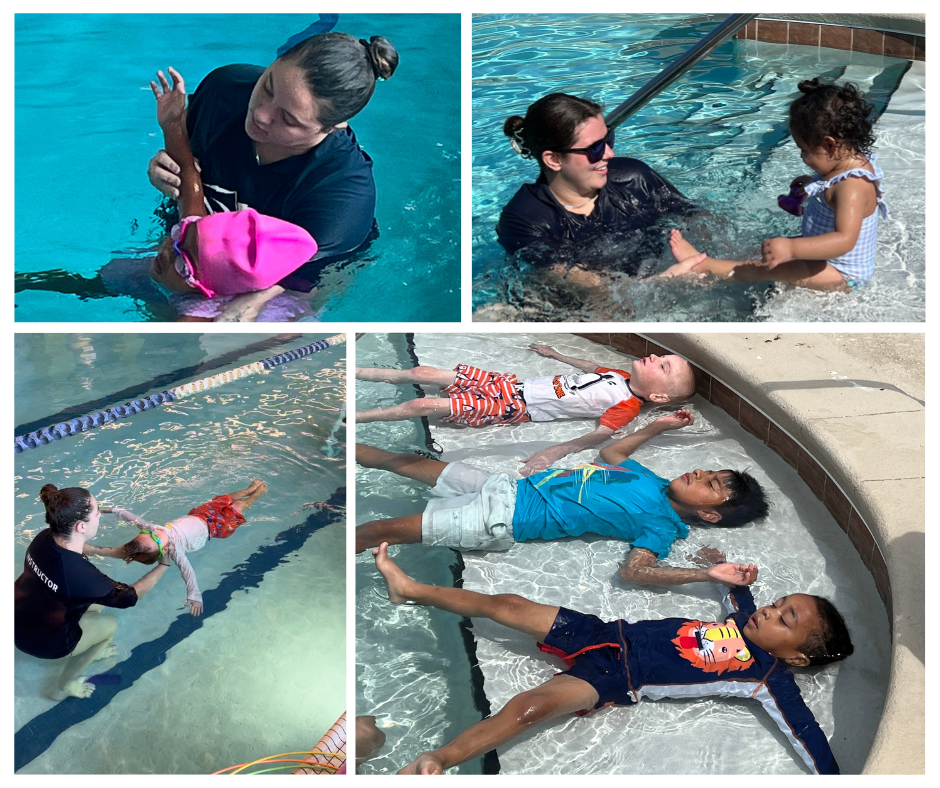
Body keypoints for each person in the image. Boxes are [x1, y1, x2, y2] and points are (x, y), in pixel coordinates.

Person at [371, 543, 853, 775]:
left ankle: (440, 757)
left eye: (784, 620)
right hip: (603, 632)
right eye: (779, 603)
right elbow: (736, 590)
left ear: (797, 658)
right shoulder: (745, 616)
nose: (769, 611)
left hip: (614, 677)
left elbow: (805, 731)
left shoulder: (768, 678)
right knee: (508, 605)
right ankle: (411, 589)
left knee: (530, 709)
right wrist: (723, 566)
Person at [355, 410, 769, 576]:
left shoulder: (662, 526)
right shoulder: (653, 480)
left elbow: (635, 572)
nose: (700, 472)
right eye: (709, 470)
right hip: (503, 486)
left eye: (711, 484)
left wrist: (703, 573)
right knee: (399, 459)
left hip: (500, 519)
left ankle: (317, 564)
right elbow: (611, 451)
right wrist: (657, 427)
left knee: (379, 529)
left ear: (711, 515)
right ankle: (334, 446)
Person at [147, 31, 399, 303]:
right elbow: (186, 160)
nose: (261, 114)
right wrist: (165, 170)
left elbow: (301, 294)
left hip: (284, 285)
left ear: (334, 127)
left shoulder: (340, 199)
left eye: (288, 119)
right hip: (188, 249)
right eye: (268, 86)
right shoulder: (226, 90)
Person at [663, 79, 888, 292]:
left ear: (830, 146)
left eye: (804, 150)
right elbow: (832, 191)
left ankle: (704, 267)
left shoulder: (853, 186)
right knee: (769, 253)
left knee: (777, 266)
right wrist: (813, 184)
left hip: (841, 274)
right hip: (825, 261)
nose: (803, 157)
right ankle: (730, 265)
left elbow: (845, 240)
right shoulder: (842, 163)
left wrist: (792, 249)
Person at [357, 343, 696, 476]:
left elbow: (598, 436)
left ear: (659, 398)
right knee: (421, 373)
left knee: (422, 403)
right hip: (510, 383)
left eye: (663, 367)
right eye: (662, 357)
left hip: (513, 405)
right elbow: (592, 364)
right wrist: (556, 355)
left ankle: (353, 418)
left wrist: (552, 453)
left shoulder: (626, 407)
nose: (655, 357)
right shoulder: (619, 374)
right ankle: (352, 371)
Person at [147, 68, 321, 322]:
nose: (167, 251)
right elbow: (189, 177)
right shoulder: (196, 240)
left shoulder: (203, 316)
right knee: (116, 274)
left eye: (185, 264)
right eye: (180, 234)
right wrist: (172, 124)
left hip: (265, 317)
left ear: (211, 292)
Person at [496, 93, 696, 280]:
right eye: (595, 148)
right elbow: (590, 289)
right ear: (554, 159)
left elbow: (700, 219)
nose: (609, 154)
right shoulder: (524, 220)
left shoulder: (634, 179)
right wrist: (668, 281)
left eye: (608, 139)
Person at [14, 485, 170, 700]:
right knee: (109, 626)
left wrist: (113, 552)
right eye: (96, 512)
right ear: (80, 526)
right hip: (44, 643)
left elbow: (78, 551)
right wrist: (163, 565)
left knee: (97, 604)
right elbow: (131, 596)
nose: (99, 515)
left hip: (17, 618)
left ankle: (88, 644)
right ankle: (63, 686)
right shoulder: (83, 578)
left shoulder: (43, 539)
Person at [84, 481, 269, 616]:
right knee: (238, 507)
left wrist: (107, 510)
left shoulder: (153, 529)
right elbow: (187, 572)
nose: (154, 531)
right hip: (215, 527)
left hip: (201, 515)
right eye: (155, 537)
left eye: (148, 533)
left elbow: (128, 516)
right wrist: (194, 594)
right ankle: (255, 495)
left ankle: (247, 489)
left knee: (223, 500)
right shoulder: (175, 550)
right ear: (164, 550)